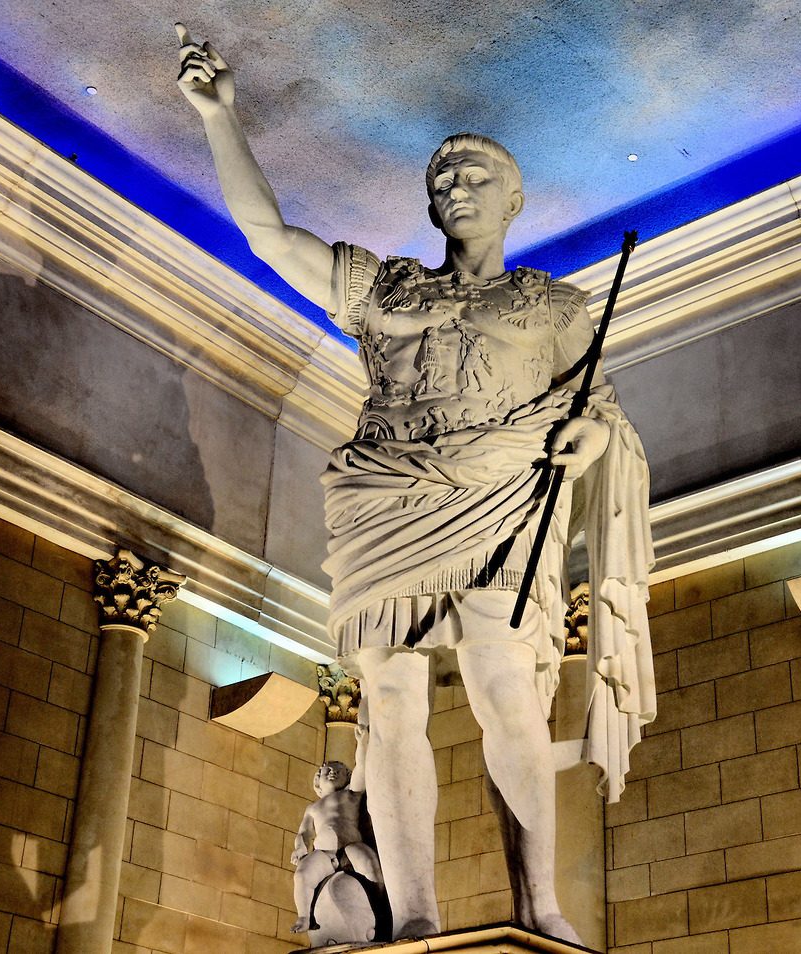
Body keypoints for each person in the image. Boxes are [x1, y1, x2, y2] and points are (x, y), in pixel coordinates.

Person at [177, 24, 655, 943]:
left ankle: (539, 907)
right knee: (387, 699)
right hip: (379, 499)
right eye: (443, 180)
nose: (456, 188)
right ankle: (417, 919)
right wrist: (219, 117)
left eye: (477, 177)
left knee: (502, 686)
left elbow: (601, 414)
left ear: (516, 200)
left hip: (494, 495)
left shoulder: (555, 307)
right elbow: (271, 237)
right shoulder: (386, 290)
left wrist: (589, 442)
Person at [290, 761, 383, 936]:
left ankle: (381, 912)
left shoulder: (351, 795)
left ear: (348, 776)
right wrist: (299, 848)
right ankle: (304, 917)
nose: (333, 773)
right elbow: (305, 832)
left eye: (339, 771)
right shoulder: (312, 808)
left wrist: (362, 742)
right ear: (317, 779)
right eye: (328, 771)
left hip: (351, 846)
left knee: (370, 864)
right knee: (302, 875)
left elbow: (362, 767)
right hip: (324, 853)